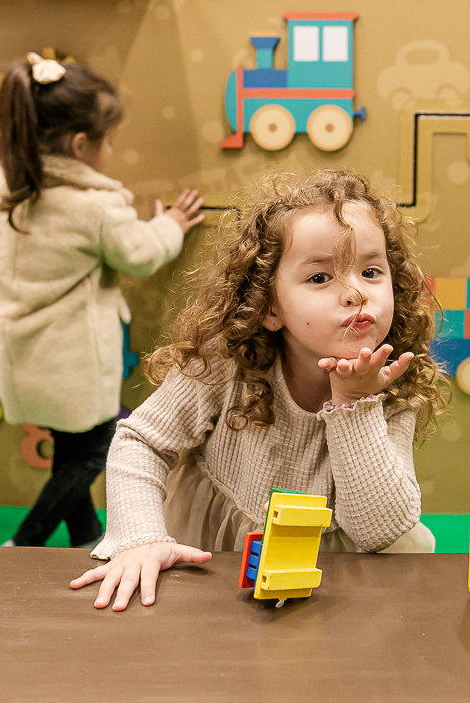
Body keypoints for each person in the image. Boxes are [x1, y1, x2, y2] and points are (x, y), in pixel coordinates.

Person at [71, 169, 446, 610]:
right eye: (320, 278)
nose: (355, 294)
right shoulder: (225, 361)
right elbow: (141, 442)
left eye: (370, 271)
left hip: (337, 583)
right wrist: (139, 539)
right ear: (269, 307)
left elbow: (378, 530)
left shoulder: (393, 385)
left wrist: (354, 403)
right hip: (216, 559)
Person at [0, 52, 205, 549]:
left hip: (21, 366)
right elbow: (141, 254)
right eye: (108, 142)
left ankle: (85, 535)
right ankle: (23, 544)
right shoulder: (93, 207)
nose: (110, 151)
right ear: (81, 144)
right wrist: (172, 221)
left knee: (70, 451)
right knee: (96, 451)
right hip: (75, 372)